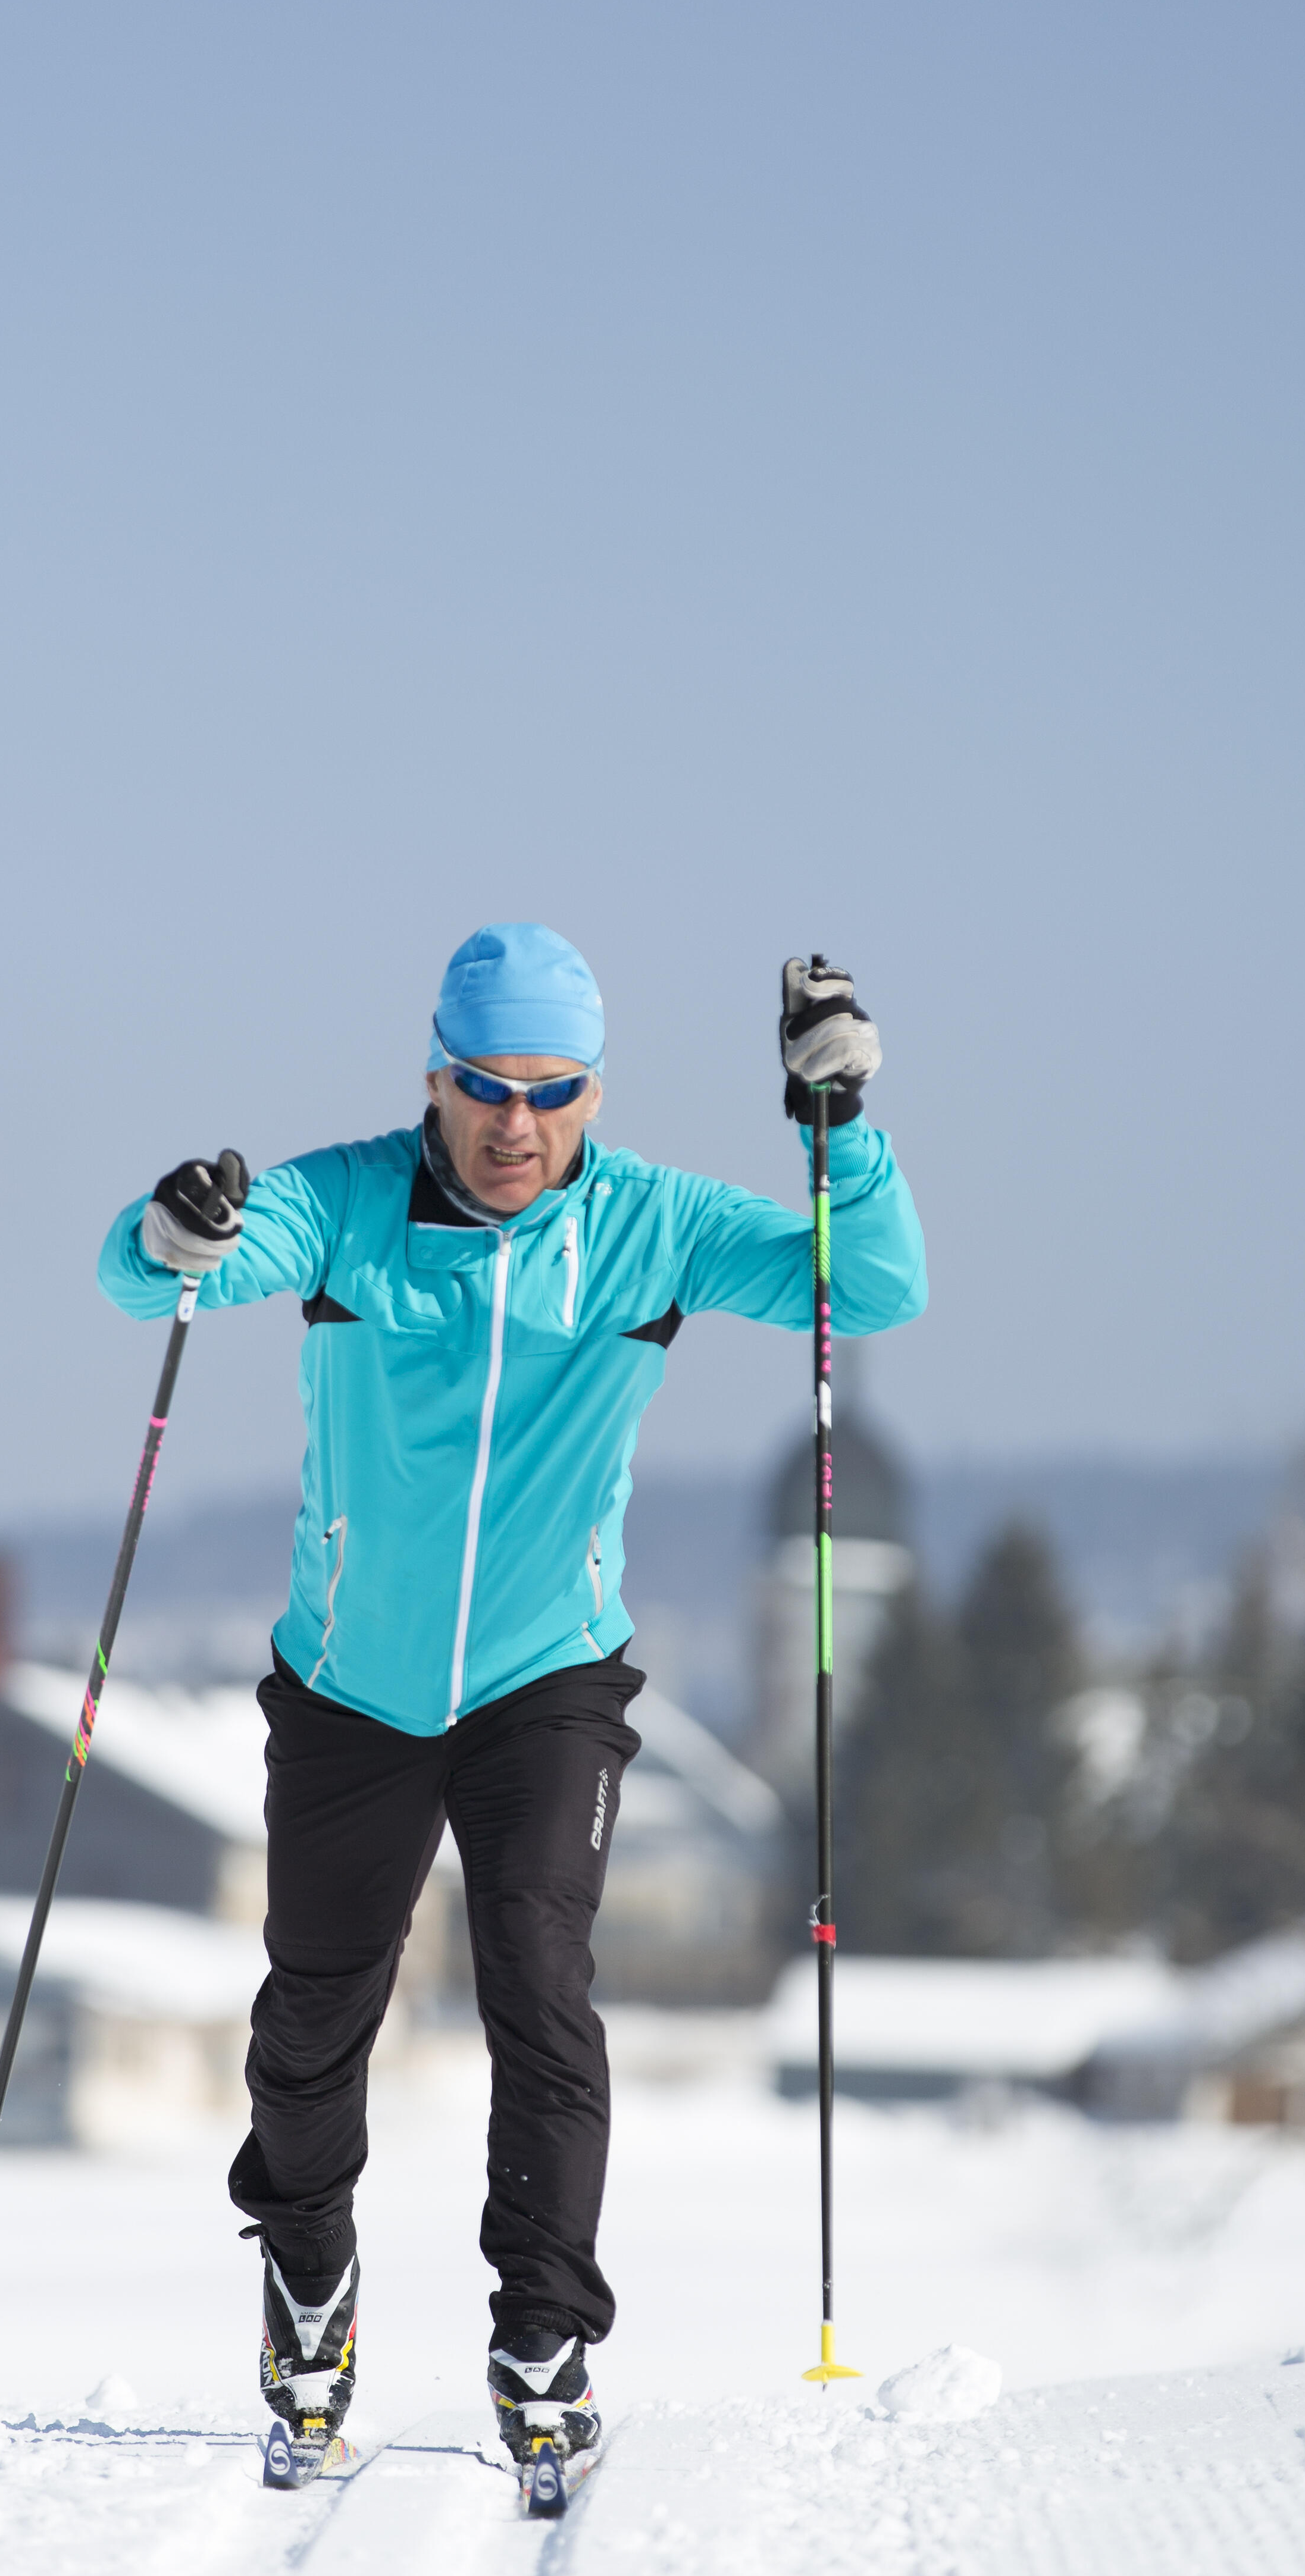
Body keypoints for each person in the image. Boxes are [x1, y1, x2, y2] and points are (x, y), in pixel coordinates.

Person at [98, 925, 925, 2482]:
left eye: (550, 1092)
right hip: (352, 1682)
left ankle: (543, 2331)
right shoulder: (345, 1206)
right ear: (436, 1080)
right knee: (315, 2014)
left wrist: (842, 1130)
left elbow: (871, 1289)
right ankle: (310, 2280)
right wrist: (174, 1226)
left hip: (549, 1674)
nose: (515, 1123)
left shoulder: (653, 1226)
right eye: (485, 1087)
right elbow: (153, 1278)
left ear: (594, 1094)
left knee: (539, 1984)